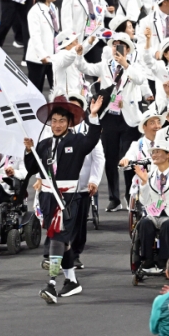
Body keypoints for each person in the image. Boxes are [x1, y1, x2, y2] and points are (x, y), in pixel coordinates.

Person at [23, 96, 103, 304]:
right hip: (48, 198)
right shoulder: (44, 144)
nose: (57, 125)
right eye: (54, 121)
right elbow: (32, 168)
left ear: (69, 123)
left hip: (68, 199)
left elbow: (93, 139)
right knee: (63, 241)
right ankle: (72, 281)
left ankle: (51, 284)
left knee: (58, 238)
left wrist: (93, 115)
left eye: (61, 121)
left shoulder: (77, 142)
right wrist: (29, 151)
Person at [76, 33, 145, 211]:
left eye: (121, 45)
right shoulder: (104, 66)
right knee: (110, 157)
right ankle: (114, 197)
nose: (117, 48)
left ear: (128, 50)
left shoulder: (134, 66)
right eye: (115, 45)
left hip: (129, 117)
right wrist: (79, 52)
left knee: (129, 157)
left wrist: (125, 64)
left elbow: (140, 80)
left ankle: (131, 195)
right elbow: (84, 68)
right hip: (109, 116)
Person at [135, 142, 169, 273]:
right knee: (144, 223)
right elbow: (144, 200)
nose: (154, 155)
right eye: (153, 152)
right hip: (155, 213)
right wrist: (144, 183)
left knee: (167, 226)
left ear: (168, 155)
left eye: (158, 152)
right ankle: (147, 261)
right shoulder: (150, 175)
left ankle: (164, 262)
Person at [66, 93, 104, 269]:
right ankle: (60, 254)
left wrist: (94, 181)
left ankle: (75, 254)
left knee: (79, 223)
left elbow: (99, 158)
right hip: (62, 187)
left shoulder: (89, 130)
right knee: (64, 222)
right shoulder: (57, 128)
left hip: (82, 187)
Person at [121, 109, 164, 205]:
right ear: (144, 126)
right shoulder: (137, 145)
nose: (157, 126)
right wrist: (126, 160)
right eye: (152, 123)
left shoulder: (167, 143)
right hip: (143, 181)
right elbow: (129, 156)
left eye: (158, 122)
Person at [25, 0, 60, 91]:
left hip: (53, 57)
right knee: (35, 91)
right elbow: (35, 36)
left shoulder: (53, 8)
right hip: (38, 59)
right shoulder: (34, 12)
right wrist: (42, 55)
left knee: (57, 89)